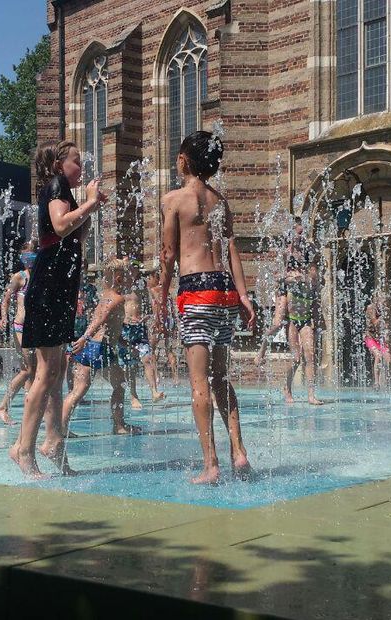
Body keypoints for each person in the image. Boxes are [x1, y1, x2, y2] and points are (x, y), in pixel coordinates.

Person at [156, 130, 255, 485]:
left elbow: (168, 255)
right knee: (221, 377)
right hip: (224, 290)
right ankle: (239, 453)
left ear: (183, 160)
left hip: (195, 291)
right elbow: (231, 250)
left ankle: (211, 464)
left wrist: (162, 298)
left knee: (199, 381)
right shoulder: (221, 201)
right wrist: (244, 296)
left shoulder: (174, 200)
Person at [11, 140, 104, 478]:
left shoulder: (65, 190)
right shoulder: (55, 186)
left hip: (59, 287)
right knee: (46, 372)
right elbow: (62, 225)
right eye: (77, 161)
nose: (82, 168)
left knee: (55, 370)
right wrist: (90, 204)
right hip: (49, 287)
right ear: (59, 164)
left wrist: (90, 206)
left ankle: (51, 441)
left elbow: (75, 237)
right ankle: (23, 450)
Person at [58, 259, 141, 440]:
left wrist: (124, 343)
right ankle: (117, 425)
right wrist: (84, 338)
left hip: (97, 347)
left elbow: (109, 327)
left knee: (106, 386)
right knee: (89, 389)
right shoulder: (118, 299)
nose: (132, 281)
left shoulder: (106, 295)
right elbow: (100, 321)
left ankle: (61, 427)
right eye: (129, 278)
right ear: (119, 279)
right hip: (99, 348)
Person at [256, 259, 323, 405]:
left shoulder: (315, 286)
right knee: (296, 358)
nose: (314, 282)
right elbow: (278, 279)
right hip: (291, 319)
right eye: (312, 279)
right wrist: (288, 278)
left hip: (304, 320)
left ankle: (311, 395)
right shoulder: (295, 279)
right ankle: (285, 385)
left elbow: (317, 307)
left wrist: (317, 325)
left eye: (316, 279)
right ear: (306, 274)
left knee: (310, 356)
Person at [0, 243, 37, 424]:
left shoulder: (40, 276)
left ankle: (30, 409)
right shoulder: (20, 277)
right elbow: (6, 298)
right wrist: (3, 317)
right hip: (21, 327)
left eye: (32, 254)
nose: (29, 258)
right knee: (27, 370)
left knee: (36, 371)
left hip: (36, 328)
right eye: (25, 254)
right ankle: (2, 407)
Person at [122, 264, 165, 408]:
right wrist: (123, 319)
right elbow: (114, 309)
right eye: (131, 269)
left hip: (140, 327)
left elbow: (148, 306)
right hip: (126, 329)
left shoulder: (141, 288)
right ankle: (133, 396)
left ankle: (154, 391)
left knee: (147, 358)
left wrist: (147, 317)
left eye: (135, 269)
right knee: (131, 364)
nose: (134, 272)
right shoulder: (121, 288)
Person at [147, 271, 180, 386]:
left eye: (149, 278)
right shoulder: (167, 291)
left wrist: (156, 321)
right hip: (169, 321)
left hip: (159, 321)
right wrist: (174, 323)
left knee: (151, 349)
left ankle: (156, 377)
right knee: (169, 350)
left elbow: (158, 305)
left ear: (154, 278)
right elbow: (171, 308)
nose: (148, 281)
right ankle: (175, 378)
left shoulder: (153, 290)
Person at [364, 292, 391, 389]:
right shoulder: (371, 308)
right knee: (378, 355)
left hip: (380, 338)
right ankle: (376, 383)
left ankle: (385, 381)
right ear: (376, 299)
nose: (384, 301)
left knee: (388, 357)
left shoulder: (383, 309)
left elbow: (386, 326)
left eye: (384, 300)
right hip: (370, 337)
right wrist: (382, 318)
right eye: (382, 299)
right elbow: (375, 322)